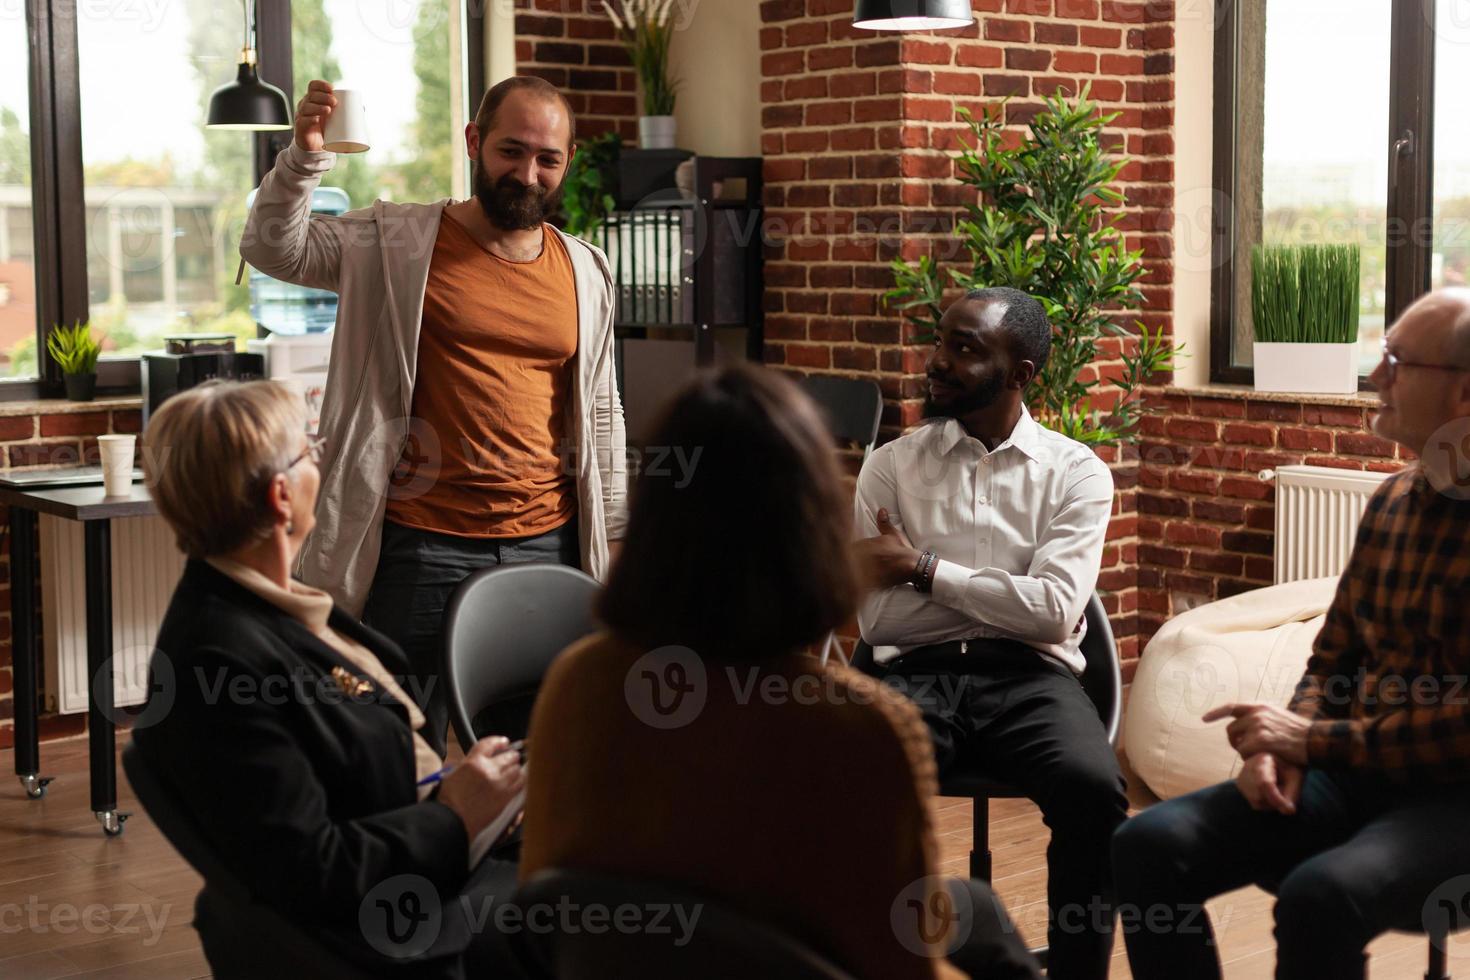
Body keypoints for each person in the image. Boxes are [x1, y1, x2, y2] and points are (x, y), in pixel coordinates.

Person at [519, 365, 1039, 980]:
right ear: (811, 534)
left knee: (970, 909)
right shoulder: (862, 731)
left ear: (652, 513)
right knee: (983, 922)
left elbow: (544, 915)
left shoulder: (577, 687)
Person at [240, 75, 627, 744]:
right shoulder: (394, 242)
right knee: (399, 748)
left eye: (547, 158)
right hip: (423, 545)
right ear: (475, 142)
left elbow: (603, 414)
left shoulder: (586, 269)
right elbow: (275, 247)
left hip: (552, 547)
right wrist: (304, 157)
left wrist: (614, 537)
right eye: (511, 150)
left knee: (539, 760)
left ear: (566, 163)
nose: (527, 173)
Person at [1112, 289, 1470, 980]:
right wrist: (1283, 751)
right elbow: (1334, 654)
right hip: (1355, 773)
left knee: (1320, 895)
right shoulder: (1392, 500)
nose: (1376, 377)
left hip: (1454, 801)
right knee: (1147, 845)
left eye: (1397, 361)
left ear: (1462, 395)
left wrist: (1311, 740)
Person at [132, 381, 528, 979]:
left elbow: (357, 765)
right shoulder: (219, 660)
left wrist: (479, 794)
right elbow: (311, 868)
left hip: (432, 848)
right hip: (401, 920)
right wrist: (456, 814)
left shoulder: (282, 605)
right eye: (310, 450)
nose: (322, 460)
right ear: (281, 495)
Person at [853, 287, 1125, 980]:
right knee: (849, 777)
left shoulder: (1077, 473)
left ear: (1021, 373)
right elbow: (879, 619)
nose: (937, 362)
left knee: (1094, 790)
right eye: (941, 341)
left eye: (965, 349)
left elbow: (1056, 614)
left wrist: (919, 568)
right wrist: (1003, 596)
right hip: (914, 671)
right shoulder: (891, 466)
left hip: (1032, 678)